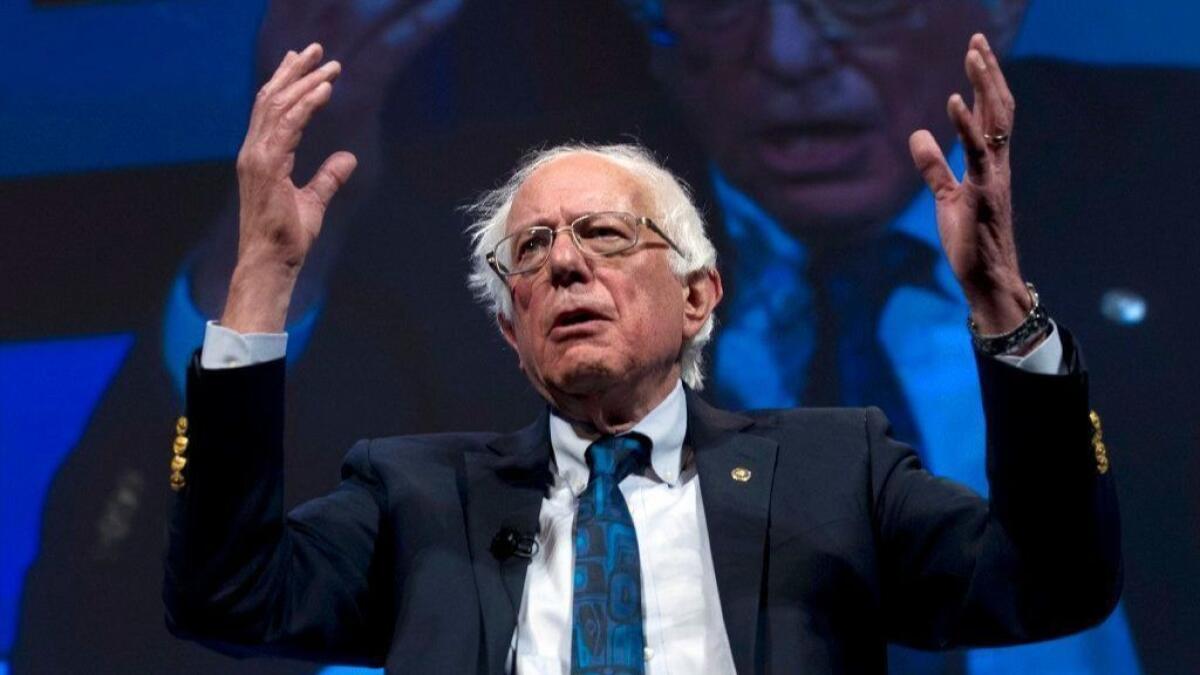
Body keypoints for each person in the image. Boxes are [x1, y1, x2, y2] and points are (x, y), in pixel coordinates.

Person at [163, 37, 1120, 674]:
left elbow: (1053, 582)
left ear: (700, 294)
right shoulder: (412, 496)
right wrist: (260, 283)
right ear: (512, 327)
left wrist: (1001, 303)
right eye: (530, 253)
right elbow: (228, 595)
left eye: (607, 236)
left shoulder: (838, 468)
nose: (566, 261)